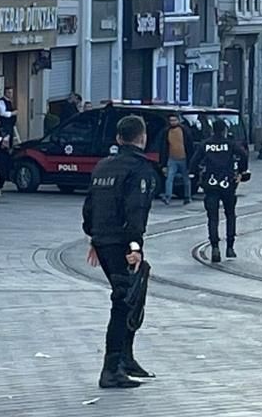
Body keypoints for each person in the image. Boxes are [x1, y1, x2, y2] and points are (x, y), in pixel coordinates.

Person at [82, 115, 157, 388]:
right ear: (142, 138)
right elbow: (136, 210)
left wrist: (92, 237)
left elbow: (90, 206)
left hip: (102, 242)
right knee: (124, 299)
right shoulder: (139, 169)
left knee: (131, 296)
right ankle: (111, 368)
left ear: (118, 138)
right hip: (123, 244)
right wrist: (135, 247)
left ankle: (125, 358)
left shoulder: (103, 166)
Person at [189, 119, 250, 262]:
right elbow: (243, 154)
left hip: (210, 184)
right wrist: (241, 171)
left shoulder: (206, 144)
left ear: (212, 130)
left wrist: (195, 175)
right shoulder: (230, 144)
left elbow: (194, 161)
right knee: (230, 215)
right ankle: (230, 247)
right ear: (224, 130)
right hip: (227, 184)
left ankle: (215, 247)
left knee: (213, 217)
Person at [155, 113, 194, 206]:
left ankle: (187, 197)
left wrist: (190, 161)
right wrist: (163, 163)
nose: (172, 122)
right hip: (171, 159)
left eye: (174, 120)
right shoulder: (166, 131)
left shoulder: (184, 130)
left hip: (183, 158)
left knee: (186, 179)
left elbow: (189, 145)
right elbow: (163, 147)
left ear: (179, 120)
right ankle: (168, 196)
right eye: (171, 120)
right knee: (169, 178)